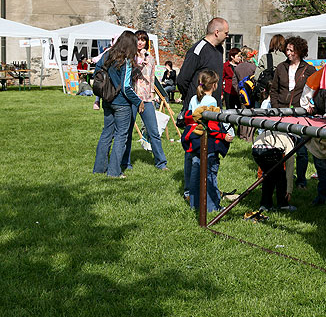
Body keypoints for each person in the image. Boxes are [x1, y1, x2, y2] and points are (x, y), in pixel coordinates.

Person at [177, 17, 228, 195]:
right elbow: (182, 79)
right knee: (193, 149)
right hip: (197, 109)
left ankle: (207, 186)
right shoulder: (198, 49)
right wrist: (193, 99)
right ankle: (190, 191)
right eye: (226, 33)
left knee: (211, 148)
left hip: (213, 109)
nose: (227, 36)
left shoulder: (219, 50)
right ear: (216, 32)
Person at [92, 31, 144, 178]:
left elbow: (97, 73)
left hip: (107, 100)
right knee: (121, 136)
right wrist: (138, 101)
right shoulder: (126, 60)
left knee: (106, 133)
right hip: (121, 103)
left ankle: (99, 168)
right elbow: (126, 87)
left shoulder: (106, 55)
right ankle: (114, 172)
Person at [181, 70, 234, 212]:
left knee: (195, 172)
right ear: (215, 85)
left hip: (194, 141)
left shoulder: (193, 98)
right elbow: (213, 126)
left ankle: (195, 203)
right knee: (209, 174)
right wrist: (224, 136)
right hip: (207, 141)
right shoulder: (212, 101)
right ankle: (212, 207)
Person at [269, 36, 315, 188]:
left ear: (300, 51)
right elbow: (274, 89)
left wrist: (310, 105)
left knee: (300, 149)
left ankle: (301, 179)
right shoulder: (281, 67)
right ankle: (280, 178)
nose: (288, 53)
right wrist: (276, 108)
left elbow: (316, 90)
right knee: (279, 146)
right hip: (281, 111)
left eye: (291, 50)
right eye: (287, 50)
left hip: (300, 112)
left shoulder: (309, 69)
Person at [133, 30, 169, 171]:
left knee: (153, 131)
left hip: (147, 99)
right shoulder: (130, 58)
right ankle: (126, 162)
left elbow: (153, 78)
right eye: (138, 39)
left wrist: (153, 94)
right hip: (133, 97)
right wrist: (140, 62)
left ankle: (161, 162)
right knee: (126, 131)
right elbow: (132, 76)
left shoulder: (151, 59)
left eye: (143, 40)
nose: (141, 42)